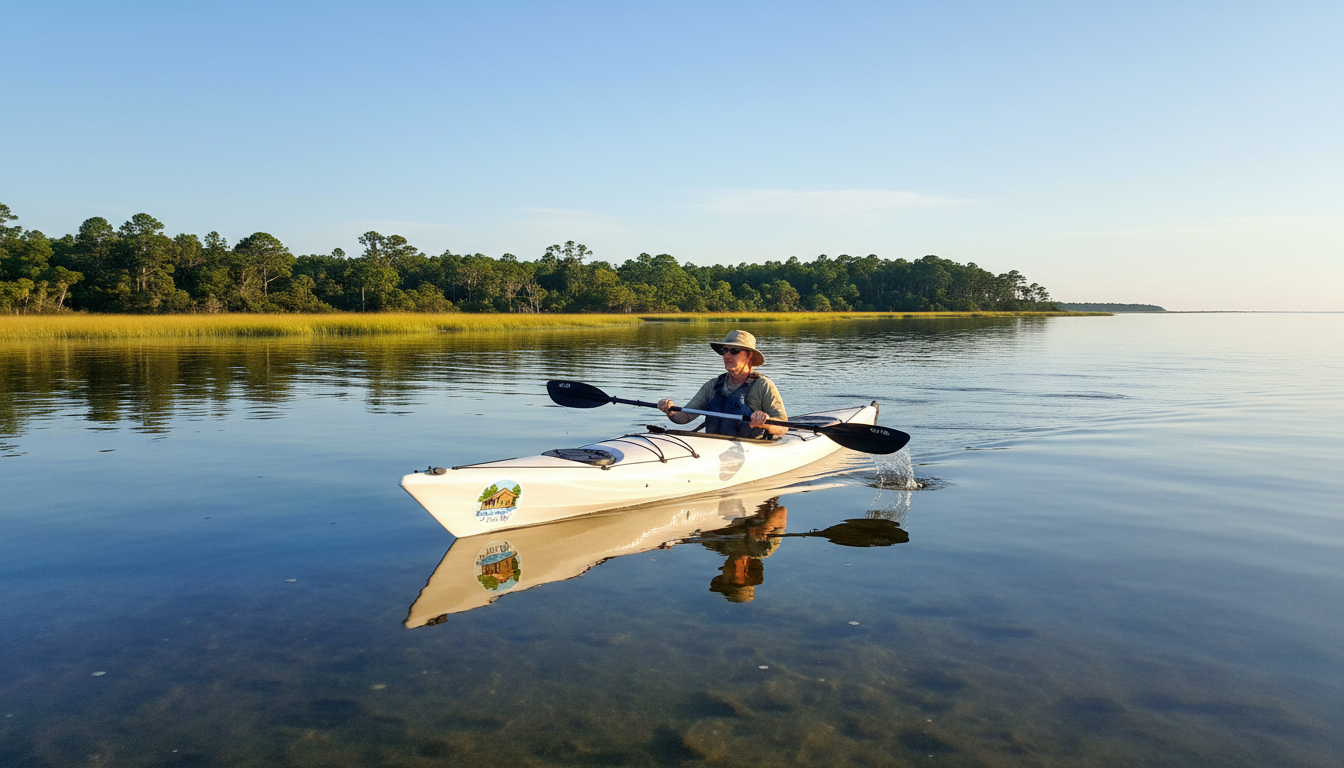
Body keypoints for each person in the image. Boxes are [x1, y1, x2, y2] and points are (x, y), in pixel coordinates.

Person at [657, 330, 787, 439]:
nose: (727, 356)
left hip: (749, 449)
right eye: (725, 350)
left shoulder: (763, 385)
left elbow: (782, 428)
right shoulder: (712, 386)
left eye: (734, 351)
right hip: (713, 447)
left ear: (749, 356)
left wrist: (764, 422)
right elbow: (684, 417)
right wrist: (671, 410)